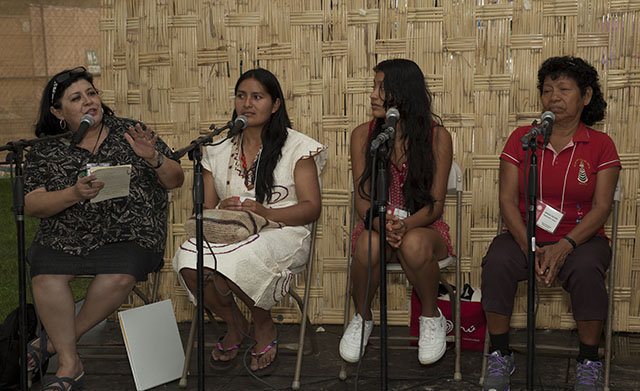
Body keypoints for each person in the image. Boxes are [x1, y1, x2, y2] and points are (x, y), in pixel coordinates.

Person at [23, 66, 184, 391]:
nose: (88, 102)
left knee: (120, 274)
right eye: (76, 98)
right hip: (66, 235)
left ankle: (57, 344)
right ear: (57, 112)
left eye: (91, 94)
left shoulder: (131, 132)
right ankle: (71, 363)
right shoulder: (46, 148)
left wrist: (153, 158)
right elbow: (32, 205)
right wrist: (74, 193)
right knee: (45, 274)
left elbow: (176, 179)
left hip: (131, 232)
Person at [173, 68, 327, 373]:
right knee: (187, 259)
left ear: (275, 104)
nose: (247, 103)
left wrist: (264, 213)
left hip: (285, 231)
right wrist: (223, 209)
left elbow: (311, 208)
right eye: (241, 96)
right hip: (229, 231)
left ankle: (263, 324)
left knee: (242, 259)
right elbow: (203, 208)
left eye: (257, 97)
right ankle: (236, 323)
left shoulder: (298, 147)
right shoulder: (215, 150)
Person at [481, 56, 621, 391]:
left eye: (563, 89)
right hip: (523, 235)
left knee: (587, 271)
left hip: (581, 239)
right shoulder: (523, 139)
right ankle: (500, 354)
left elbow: (601, 208)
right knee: (497, 262)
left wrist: (564, 246)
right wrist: (528, 244)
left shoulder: (601, 145)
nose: (553, 97)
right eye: (547, 90)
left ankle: (589, 360)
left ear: (586, 96)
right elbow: (506, 200)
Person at [339, 58, 454, 365]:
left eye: (382, 88)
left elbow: (435, 204)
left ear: (405, 94)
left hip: (424, 228)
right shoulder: (363, 136)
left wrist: (405, 226)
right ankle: (362, 317)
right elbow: (362, 201)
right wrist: (381, 223)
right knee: (366, 242)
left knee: (414, 242)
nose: (373, 95)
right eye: (373, 87)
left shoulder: (438, 137)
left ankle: (431, 317)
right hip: (377, 226)